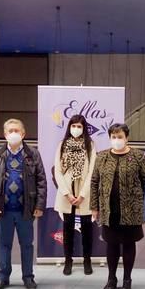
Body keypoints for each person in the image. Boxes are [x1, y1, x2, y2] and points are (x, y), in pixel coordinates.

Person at [0, 118, 47, 289]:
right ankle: (3, 277)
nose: (13, 134)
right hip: (3, 209)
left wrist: (40, 205)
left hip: (25, 209)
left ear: (23, 133)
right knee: (3, 244)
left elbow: (41, 181)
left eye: (16, 131)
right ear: (5, 134)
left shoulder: (33, 154)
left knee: (27, 244)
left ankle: (28, 277)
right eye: (10, 131)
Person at [90, 123, 145, 289]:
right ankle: (111, 278)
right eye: (114, 137)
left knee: (129, 244)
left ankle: (127, 279)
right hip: (109, 209)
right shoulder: (102, 157)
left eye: (120, 137)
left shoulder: (137, 156)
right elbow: (94, 182)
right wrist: (94, 206)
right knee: (112, 244)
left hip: (131, 209)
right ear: (109, 138)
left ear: (127, 137)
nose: (117, 140)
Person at [54, 114, 97, 276]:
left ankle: (87, 260)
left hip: (84, 194)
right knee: (68, 230)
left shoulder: (90, 145)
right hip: (67, 193)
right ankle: (68, 261)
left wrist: (83, 194)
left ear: (84, 128)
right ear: (69, 127)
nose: (76, 129)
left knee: (87, 229)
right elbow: (58, 170)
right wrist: (67, 193)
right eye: (74, 126)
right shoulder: (62, 144)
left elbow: (93, 171)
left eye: (79, 126)